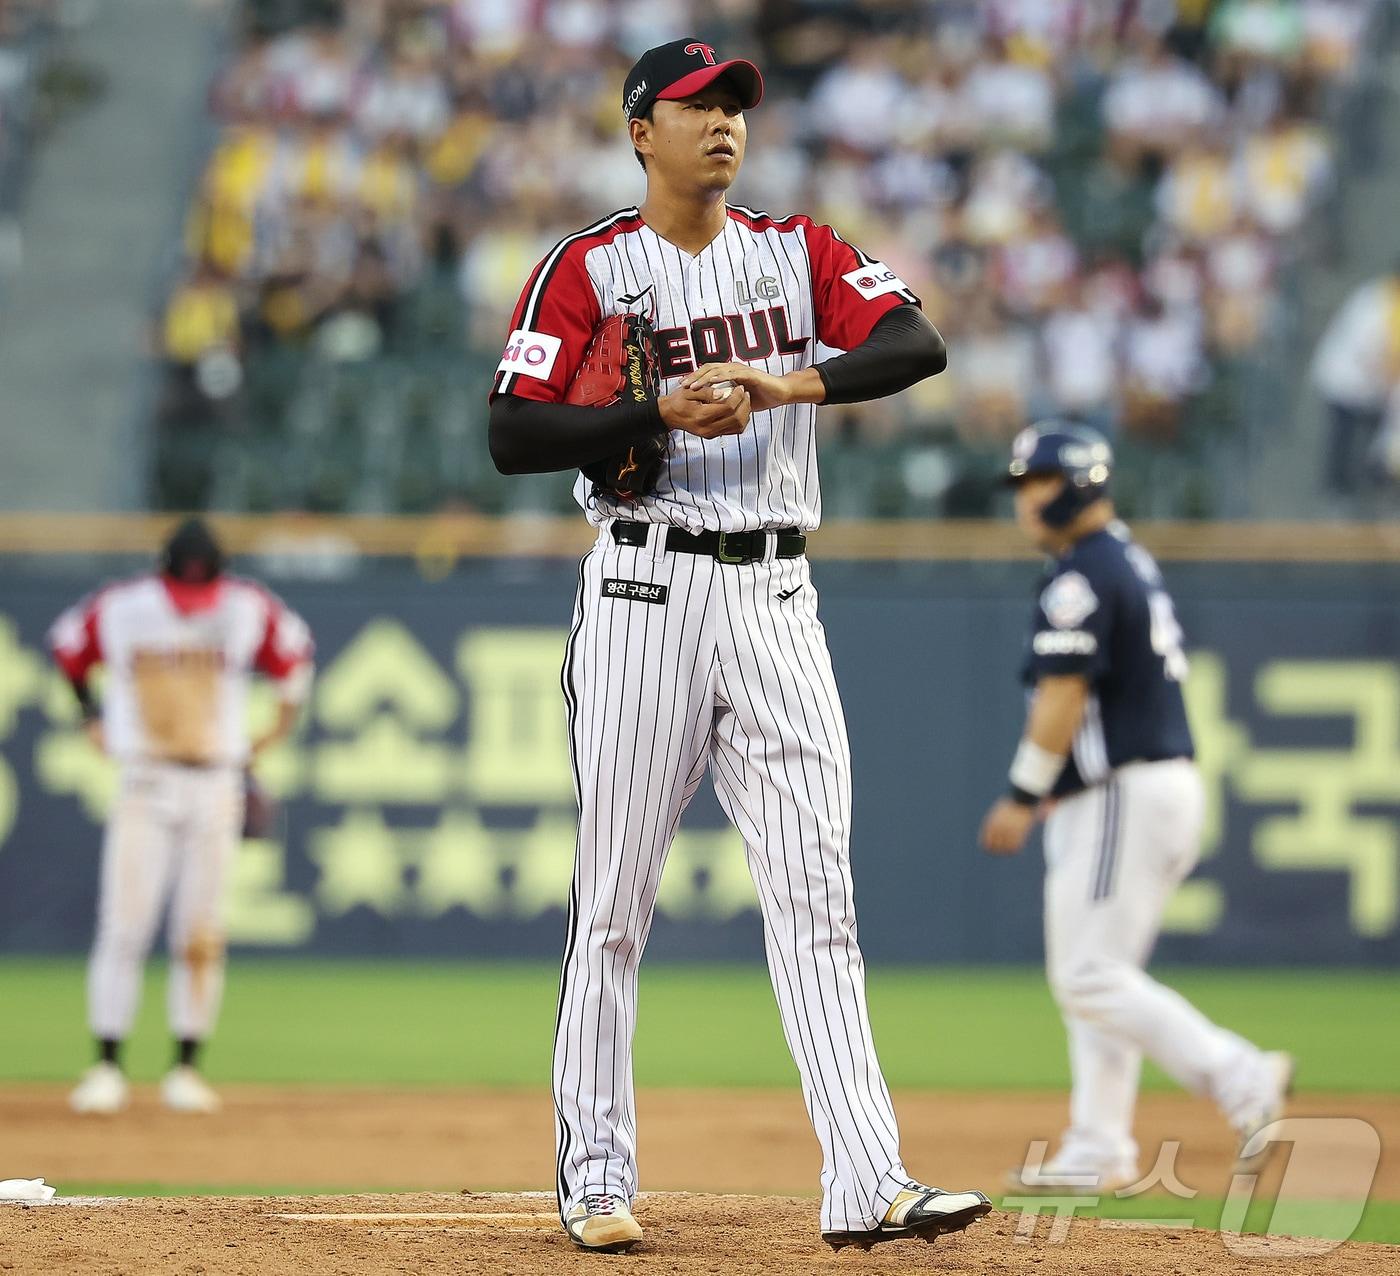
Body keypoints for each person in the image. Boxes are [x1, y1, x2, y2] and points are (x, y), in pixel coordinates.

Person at [488, 36, 991, 1255]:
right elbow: (512, 433)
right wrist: (641, 410)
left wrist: (781, 386)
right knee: (611, 905)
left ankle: (867, 1181)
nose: (722, 123)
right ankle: (595, 1177)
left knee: (817, 897)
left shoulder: (797, 250)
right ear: (638, 129)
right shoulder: (590, 267)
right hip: (643, 595)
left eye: (735, 107)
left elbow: (913, 347)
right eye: (695, 105)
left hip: (776, 600)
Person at [979, 421, 1293, 1193]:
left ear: (1082, 481)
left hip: (1123, 788)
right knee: (1103, 973)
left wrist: (1024, 790)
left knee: (1087, 975)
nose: (1027, 501)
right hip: (1141, 786)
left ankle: (1239, 1073)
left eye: (1039, 482)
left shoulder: (1082, 575)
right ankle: (1099, 1144)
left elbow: (1064, 693)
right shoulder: (1119, 557)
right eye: (1020, 486)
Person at [50, 519, 313, 1116]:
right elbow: (67, 646)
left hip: (215, 782)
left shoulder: (245, 606)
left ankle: (185, 1069)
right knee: (125, 924)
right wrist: (89, 715)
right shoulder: (124, 607)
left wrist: (271, 732)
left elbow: (296, 656)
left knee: (201, 931)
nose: (192, 601)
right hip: (146, 777)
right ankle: (107, 1064)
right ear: (163, 571)